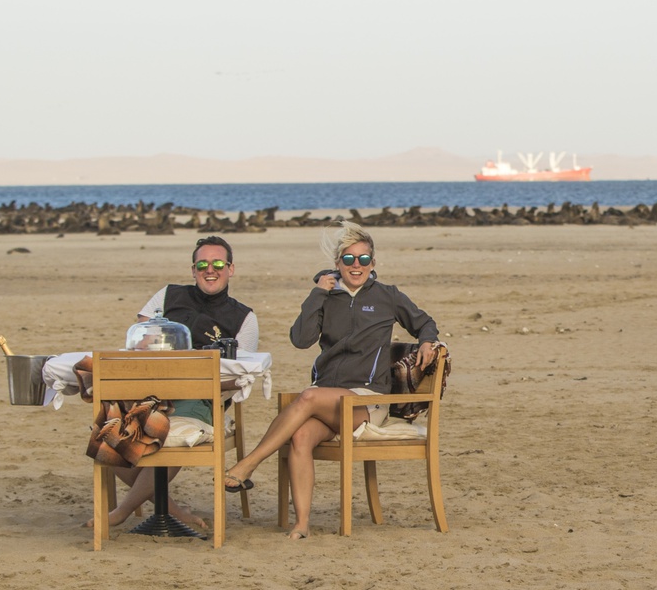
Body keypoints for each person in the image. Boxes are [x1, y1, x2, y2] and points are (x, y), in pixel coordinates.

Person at [223, 220, 438, 539]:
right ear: (337, 263)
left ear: (373, 263)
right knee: (300, 437)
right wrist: (317, 294)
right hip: (329, 400)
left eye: (364, 259)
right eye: (349, 259)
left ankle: (249, 464)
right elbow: (300, 339)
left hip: (368, 400)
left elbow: (425, 323)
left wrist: (427, 341)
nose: (356, 266)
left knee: (307, 398)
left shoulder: (387, 296)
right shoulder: (325, 297)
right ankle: (302, 524)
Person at [90, 235, 259, 530]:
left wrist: (195, 381)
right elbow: (140, 339)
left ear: (231, 269)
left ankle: (122, 511)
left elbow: (240, 375)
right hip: (151, 389)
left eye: (218, 263)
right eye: (202, 264)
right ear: (193, 270)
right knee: (108, 429)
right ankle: (176, 514)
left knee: (164, 430)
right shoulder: (168, 295)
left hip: (201, 397)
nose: (211, 270)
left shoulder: (243, 317)